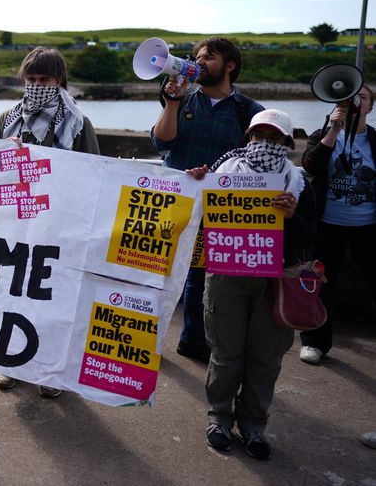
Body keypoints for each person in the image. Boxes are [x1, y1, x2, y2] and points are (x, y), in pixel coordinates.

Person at [186, 109, 315, 461]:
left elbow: (312, 236)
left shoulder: (299, 182)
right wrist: (195, 181)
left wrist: (291, 217)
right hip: (227, 275)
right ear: (248, 137)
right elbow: (194, 217)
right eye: (258, 136)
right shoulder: (222, 174)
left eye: (274, 138)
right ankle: (219, 418)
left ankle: (254, 425)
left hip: (276, 282)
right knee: (226, 355)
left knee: (265, 359)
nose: (264, 144)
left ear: (287, 144)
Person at [0, 46, 99, 398]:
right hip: (14, 225)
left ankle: (51, 374)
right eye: (31, 79)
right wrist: (4, 151)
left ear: (59, 80)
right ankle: (11, 363)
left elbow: (94, 174)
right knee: (12, 296)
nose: (36, 85)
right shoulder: (7, 118)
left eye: (44, 79)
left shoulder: (78, 123)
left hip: (58, 227)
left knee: (54, 301)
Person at [151, 37, 264, 363]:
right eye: (197, 57)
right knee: (156, 272)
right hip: (174, 199)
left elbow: (256, 161)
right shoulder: (184, 99)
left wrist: (217, 171)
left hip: (218, 206)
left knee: (200, 276)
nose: (200, 62)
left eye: (209, 57)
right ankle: (145, 341)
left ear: (230, 66)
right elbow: (162, 141)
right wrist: (172, 102)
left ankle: (193, 341)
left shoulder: (248, 111)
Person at [298, 85, 375, 365]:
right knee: (319, 285)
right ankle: (314, 342)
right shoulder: (323, 136)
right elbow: (309, 166)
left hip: (368, 226)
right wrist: (334, 130)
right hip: (328, 224)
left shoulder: (374, 141)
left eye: (362, 98)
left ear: (370, 107)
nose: (355, 102)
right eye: (348, 99)